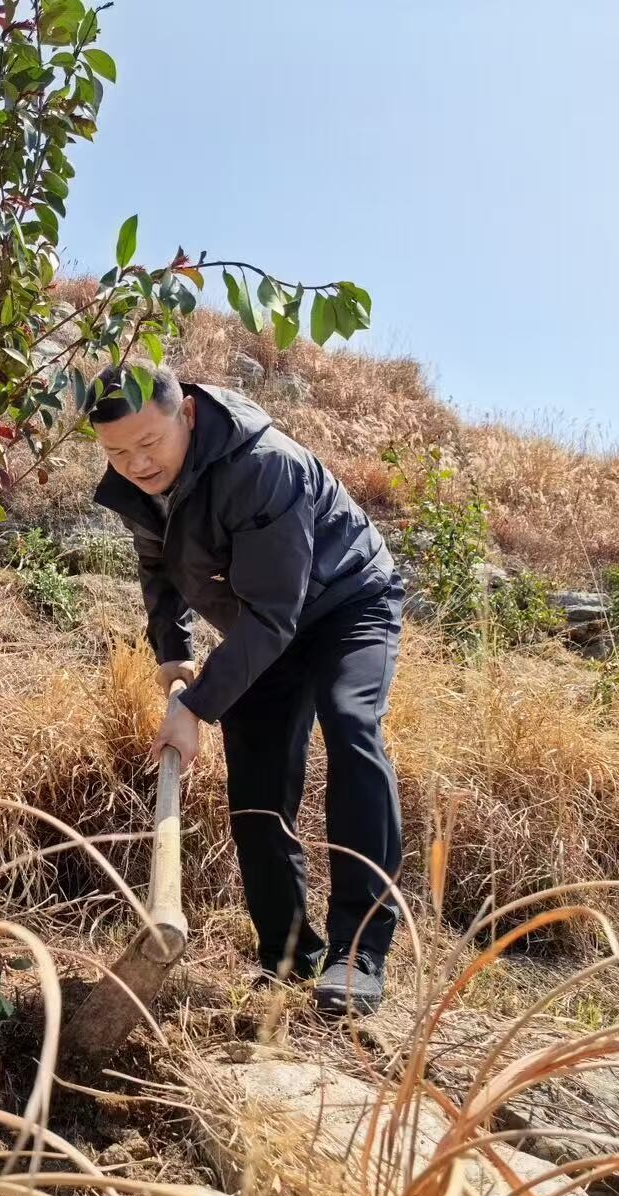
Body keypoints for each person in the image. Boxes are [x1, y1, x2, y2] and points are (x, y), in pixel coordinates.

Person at [90, 364, 405, 1015]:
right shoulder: (137, 484)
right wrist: (173, 652)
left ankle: (358, 952)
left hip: (347, 604)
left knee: (351, 728)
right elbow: (159, 562)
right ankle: (289, 955)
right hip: (261, 623)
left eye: (148, 443)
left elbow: (275, 614)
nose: (135, 463)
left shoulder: (263, 466)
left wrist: (198, 707)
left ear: (188, 414)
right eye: (117, 452)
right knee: (256, 785)